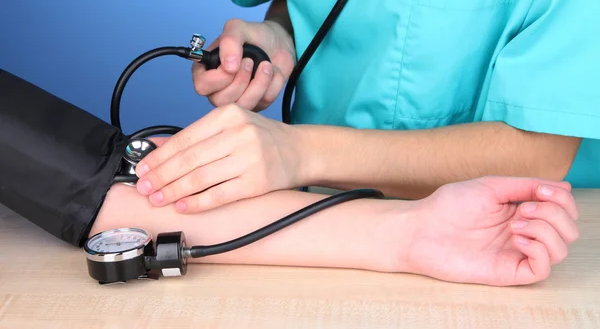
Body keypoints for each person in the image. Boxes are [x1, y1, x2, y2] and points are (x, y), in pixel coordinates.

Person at [131, 0, 600, 214]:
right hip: (316, 208)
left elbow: (540, 150)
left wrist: (298, 152)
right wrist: (278, 37)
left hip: (516, 225)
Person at [88, 138, 580, 287]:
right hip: (297, 183)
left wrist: (299, 149)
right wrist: (275, 39)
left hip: (294, 167)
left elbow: (102, 198)